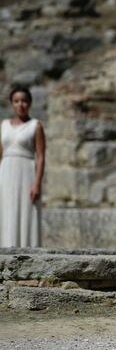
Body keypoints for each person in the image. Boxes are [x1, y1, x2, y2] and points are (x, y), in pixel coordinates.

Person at [0, 86, 45, 248]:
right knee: (6, 211)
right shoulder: (3, 125)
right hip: (5, 173)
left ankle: (27, 252)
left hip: (26, 173)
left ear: (30, 103)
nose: (21, 105)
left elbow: (40, 156)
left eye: (24, 101)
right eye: (16, 101)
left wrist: (37, 183)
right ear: (12, 104)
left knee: (26, 212)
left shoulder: (35, 126)